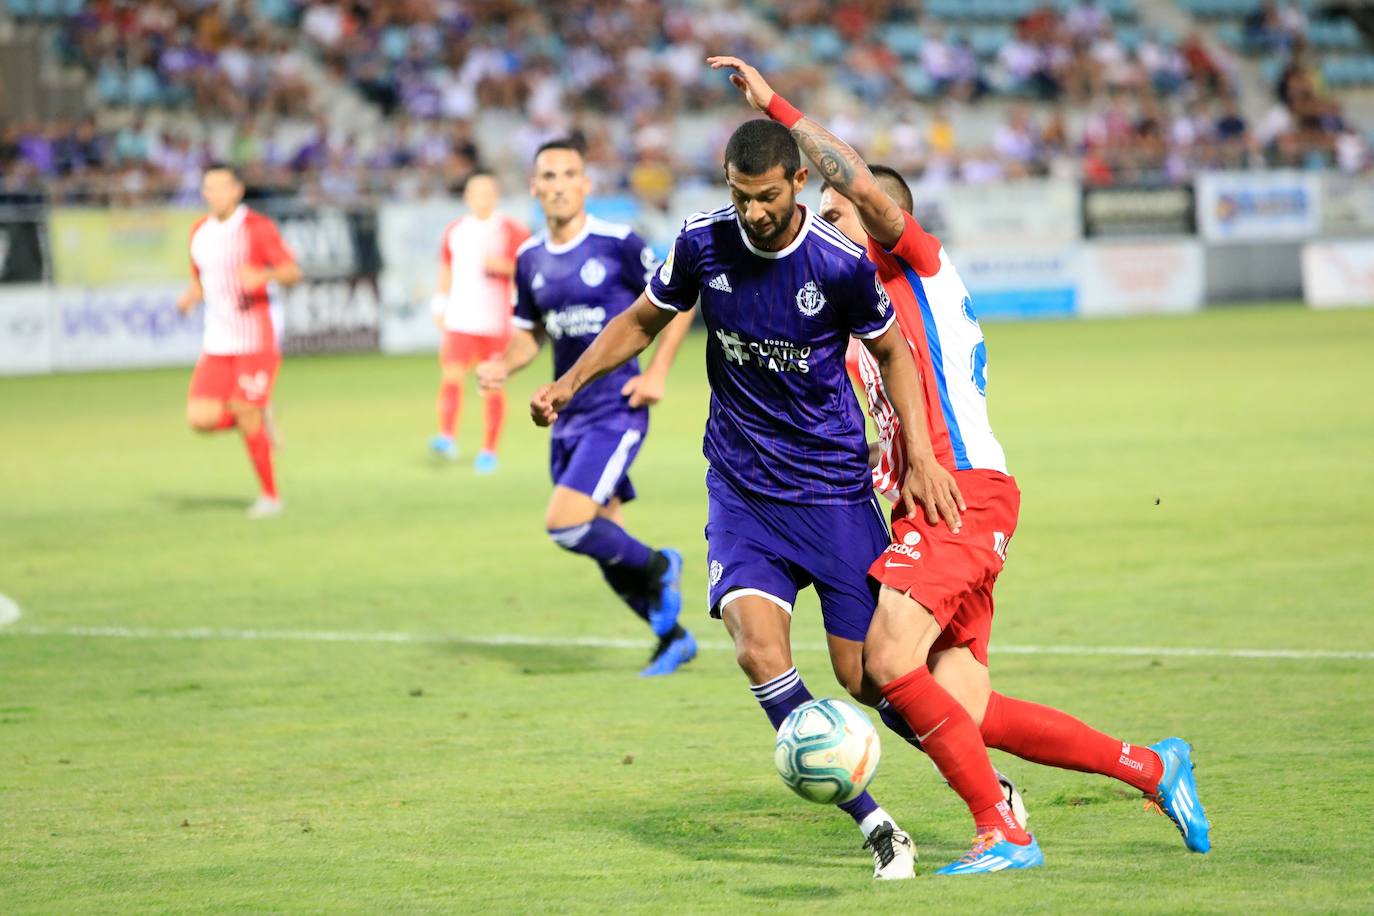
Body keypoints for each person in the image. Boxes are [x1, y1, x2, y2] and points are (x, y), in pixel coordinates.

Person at [712, 55, 1212, 875]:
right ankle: (1154, 768)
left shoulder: (917, 265)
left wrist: (776, 107)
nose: (820, 222)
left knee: (886, 662)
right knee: (966, 707)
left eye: (833, 211)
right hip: (928, 508)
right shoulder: (851, 303)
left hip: (963, 493)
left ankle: (1002, 830)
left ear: (880, 217)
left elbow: (859, 187)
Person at [523, 118, 942, 879]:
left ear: (799, 183)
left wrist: (917, 457)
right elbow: (641, 320)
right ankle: (878, 825)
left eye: (768, 196)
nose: (754, 211)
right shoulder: (702, 242)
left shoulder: (839, 262)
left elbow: (892, 351)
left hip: (832, 490)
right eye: (741, 195)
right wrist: (570, 382)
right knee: (756, 651)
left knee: (867, 678)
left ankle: (979, 779)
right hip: (742, 489)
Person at [477, 137, 697, 678]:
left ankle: (662, 564)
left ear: (586, 184)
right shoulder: (529, 259)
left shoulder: (618, 244)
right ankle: (673, 638)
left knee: (566, 524)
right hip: (566, 416)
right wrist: (504, 365)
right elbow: (530, 333)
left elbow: (680, 299)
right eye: (548, 177)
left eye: (568, 174)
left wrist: (657, 373)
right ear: (534, 188)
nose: (558, 186)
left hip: (616, 409)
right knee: (604, 541)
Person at [177, 163, 301, 518]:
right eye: (208, 187)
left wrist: (264, 275)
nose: (214, 194)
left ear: (237, 190)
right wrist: (191, 296)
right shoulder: (198, 231)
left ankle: (270, 496)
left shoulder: (257, 228)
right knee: (200, 419)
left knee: (244, 410)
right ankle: (258, 415)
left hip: (254, 339)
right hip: (217, 342)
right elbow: (200, 279)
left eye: (221, 187)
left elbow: (292, 272)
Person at [429, 172, 531, 472]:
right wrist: (440, 303)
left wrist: (504, 266)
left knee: (492, 384)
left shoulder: (510, 229)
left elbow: (530, 268)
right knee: (451, 374)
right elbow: (446, 268)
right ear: (467, 196)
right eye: (476, 193)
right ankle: (447, 436)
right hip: (461, 318)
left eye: (487, 193)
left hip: (496, 321)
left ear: (495, 196)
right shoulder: (456, 230)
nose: (481, 199)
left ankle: (489, 450)